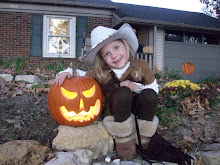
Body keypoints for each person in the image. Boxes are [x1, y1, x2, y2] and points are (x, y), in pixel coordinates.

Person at [54, 23, 159, 160]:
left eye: (116, 47)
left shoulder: (141, 66)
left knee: (149, 95)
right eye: (107, 54)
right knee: (123, 93)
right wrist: (66, 72)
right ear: (102, 59)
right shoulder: (101, 73)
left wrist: (136, 87)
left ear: (125, 45)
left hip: (138, 109)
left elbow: (154, 89)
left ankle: (144, 139)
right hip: (116, 111)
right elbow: (80, 73)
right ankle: (124, 141)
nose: (114, 55)